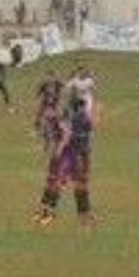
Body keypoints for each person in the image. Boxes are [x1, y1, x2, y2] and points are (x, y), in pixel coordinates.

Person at [32, 97, 97, 227]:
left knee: (70, 184)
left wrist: (60, 148)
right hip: (63, 155)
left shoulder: (59, 119)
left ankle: (81, 216)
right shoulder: (48, 121)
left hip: (69, 154)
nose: (47, 112)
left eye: (49, 110)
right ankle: (43, 212)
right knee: (52, 183)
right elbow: (50, 137)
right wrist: (48, 148)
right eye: (45, 110)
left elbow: (67, 133)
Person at [35, 70, 65, 152]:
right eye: (49, 77)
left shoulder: (57, 82)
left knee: (56, 121)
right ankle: (40, 132)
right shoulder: (45, 83)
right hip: (46, 106)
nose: (50, 79)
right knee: (44, 122)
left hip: (54, 106)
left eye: (52, 77)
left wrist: (59, 79)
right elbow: (39, 91)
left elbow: (64, 85)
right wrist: (37, 96)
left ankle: (58, 137)